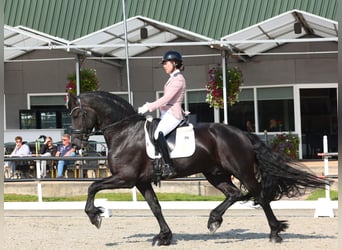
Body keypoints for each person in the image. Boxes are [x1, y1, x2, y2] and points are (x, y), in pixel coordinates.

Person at [138, 50, 186, 178]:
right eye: (163, 63)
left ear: (174, 63)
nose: (164, 65)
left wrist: (149, 106)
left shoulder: (178, 79)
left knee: (158, 133)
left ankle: (169, 166)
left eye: (166, 63)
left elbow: (167, 99)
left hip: (173, 114)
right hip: (166, 114)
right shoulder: (172, 79)